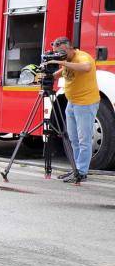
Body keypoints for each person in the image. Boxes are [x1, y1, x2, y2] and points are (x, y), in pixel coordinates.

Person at [49, 36, 99, 185]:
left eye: (61, 52)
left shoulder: (82, 57)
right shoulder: (68, 60)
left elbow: (86, 67)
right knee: (73, 138)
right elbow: (64, 70)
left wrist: (61, 62)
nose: (59, 55)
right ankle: (76, 169)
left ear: (69, 48)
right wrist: (48, 75)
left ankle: (82, 172)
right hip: (72, 103)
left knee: (84, 139)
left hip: (85, 103)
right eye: (57, 53)